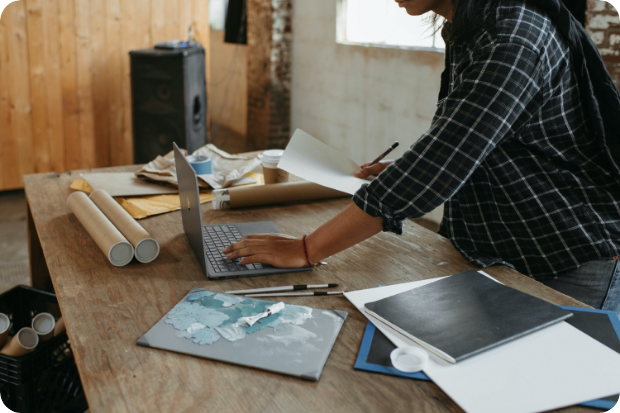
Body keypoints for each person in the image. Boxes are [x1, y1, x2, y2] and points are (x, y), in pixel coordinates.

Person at [223, 0, 620, 316]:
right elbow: (478, 142)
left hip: (569, 257)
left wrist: (306, 249)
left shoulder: (512, 36)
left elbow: (440, 164)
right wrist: (403, 170)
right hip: (504, 253)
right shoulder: (471, 28)